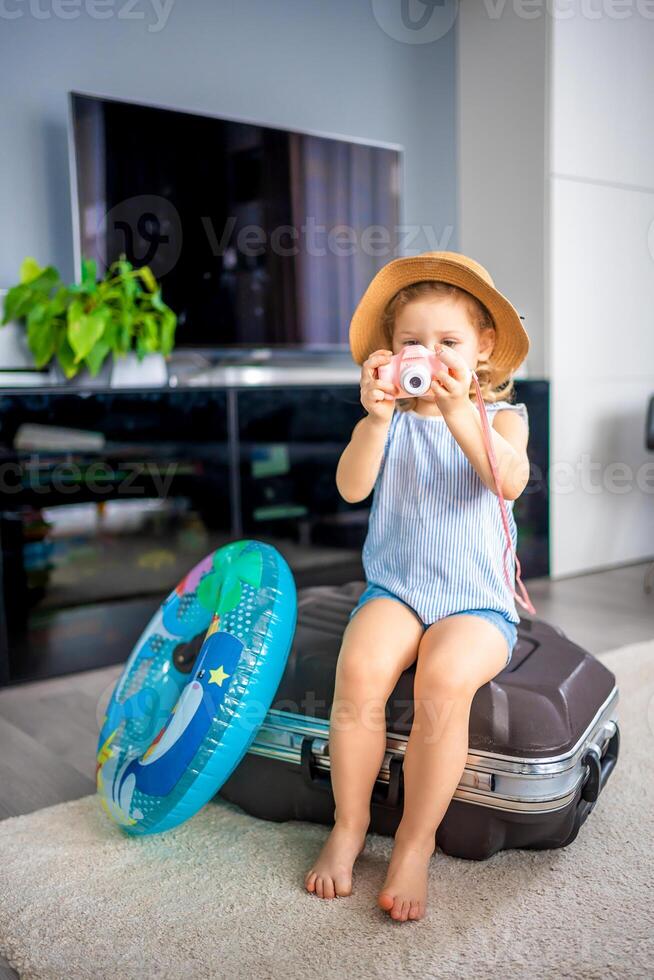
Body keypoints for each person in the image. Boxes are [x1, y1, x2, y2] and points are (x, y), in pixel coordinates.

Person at [304, 251, 535, 922]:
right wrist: (375, 420)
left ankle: (414, 841)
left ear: (483, 348)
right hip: (397, 589)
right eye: (414, 343)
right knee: (360, 668)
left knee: (442, 682)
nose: (429, 358)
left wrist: (461, 408)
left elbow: (507, 480)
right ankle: (348, 826)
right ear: (390, 353)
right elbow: (352, 487)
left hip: (477, 603)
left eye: (448, 343)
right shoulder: (390, 420)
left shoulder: (503, 419)